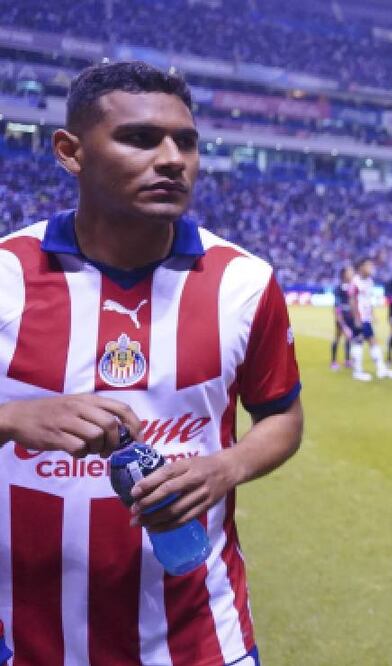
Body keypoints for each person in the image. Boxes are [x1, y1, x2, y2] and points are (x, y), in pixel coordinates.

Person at [0, 61, 303, 665]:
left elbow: (283, 417)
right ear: (70, 151)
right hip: (26, 638)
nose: (172, 158)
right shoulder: (6, 273)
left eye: (185, 142)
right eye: (140, 138)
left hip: (200, 637)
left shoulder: (243, 282)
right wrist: (13, 421)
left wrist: (226, 467)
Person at [348, 257, 392, 381]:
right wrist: (356, 318)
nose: (371, 268)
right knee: (360, 342)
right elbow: (352, 301)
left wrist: (372, 314)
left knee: (371, 342)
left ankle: (380, 369)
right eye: (368, 266)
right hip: (359, 318)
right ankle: (359, 371)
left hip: (366, 317)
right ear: (361, 267)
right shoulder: (355, 282)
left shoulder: (369, 281)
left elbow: (368, 301)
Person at [331, 265, 355, 370]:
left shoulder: (353, 286)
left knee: (349, 338)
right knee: (338, 337)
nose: (352, 274)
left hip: (350, 316)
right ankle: (333, 361)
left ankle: (347, 360)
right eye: (349, 272)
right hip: (341, 316)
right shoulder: (338, 288)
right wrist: (340, 319)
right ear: (344, 274)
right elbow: (337, 305)